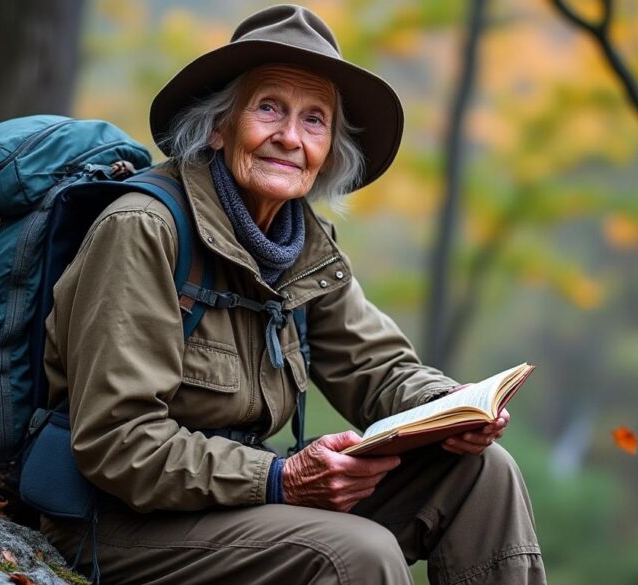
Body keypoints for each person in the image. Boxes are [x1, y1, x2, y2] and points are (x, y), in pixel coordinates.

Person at [40, 5, 546, 584]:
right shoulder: (145, 229)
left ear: (329, 147)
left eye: (314, 120)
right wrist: (278, 477)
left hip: (235, 502)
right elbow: (117, 442)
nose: (289, 137)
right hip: (112, 519)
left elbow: (378, 370)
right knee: (358, 551)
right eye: (269, 108)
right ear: (219, 124)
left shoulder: (303, 246)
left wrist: (453, 407)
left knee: (483, 472)